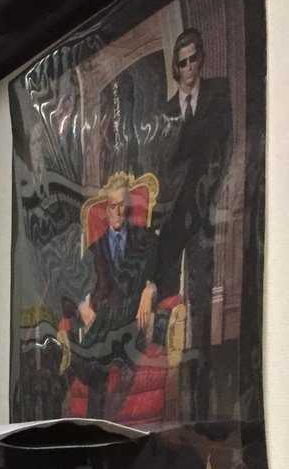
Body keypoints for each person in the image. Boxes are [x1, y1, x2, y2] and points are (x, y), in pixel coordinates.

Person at [154, 27, 232, 419]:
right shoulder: (166, 111)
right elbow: (163, 169)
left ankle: (201, 405)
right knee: (168, 303)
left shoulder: (219, 94)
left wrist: (205, 203)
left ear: (201, 59)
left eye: (193, 59)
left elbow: (224, 152)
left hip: (203, 216)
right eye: (181, 63)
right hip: (172, 222)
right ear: (176, 66)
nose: (188, 68)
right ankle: (165, 395)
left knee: (200, 304)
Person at [73, 174, 157, 418]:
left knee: (96, 352)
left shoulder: (146, 240)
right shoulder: (94, 249)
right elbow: (78, 285)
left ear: (128, 207)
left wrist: (150, 289)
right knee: (100, 361)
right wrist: (82, 305)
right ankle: (94, 429)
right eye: (113, 206)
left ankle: (85, 357)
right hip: (109, 326)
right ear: (106, 210)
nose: (118, 212)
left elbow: (161, 273)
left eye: (122, 206)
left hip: (133, 322)